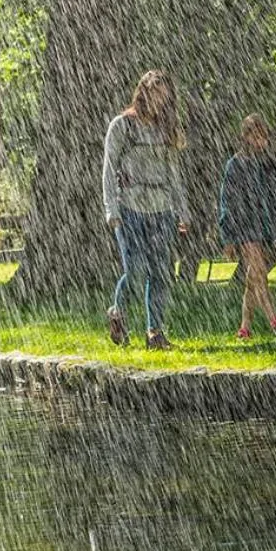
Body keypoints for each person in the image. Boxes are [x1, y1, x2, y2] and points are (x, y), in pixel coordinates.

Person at [103, 70, 190, 350]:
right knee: (135, 271)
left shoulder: (167, 129)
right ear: (143, 93)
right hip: (129, 208)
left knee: (161, 273)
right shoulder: (122, 126)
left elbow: (174, 173)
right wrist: (111, 209)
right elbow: (109, 168)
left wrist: (182, 210)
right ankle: (118, 312)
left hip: (162, 210)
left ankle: (155, 332)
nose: (159, 101)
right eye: (155, 94)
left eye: (164, 96)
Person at [219, 114, 276, 343]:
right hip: (245, 228)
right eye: (257, 136)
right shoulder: (235, 165)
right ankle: (275, 321)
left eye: (264, 136)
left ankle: (244, 328)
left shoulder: (269, 164)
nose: (262, 141)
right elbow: (227, 202)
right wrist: (228, 238)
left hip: (267, 228)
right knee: (260, 274)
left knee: (253, 278)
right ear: (246, 137)